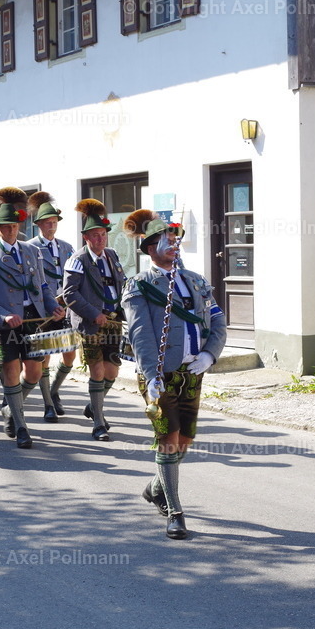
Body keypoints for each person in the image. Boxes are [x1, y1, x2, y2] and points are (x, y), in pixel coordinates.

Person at [122, 209, 227, 540]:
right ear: (151, 248)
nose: (173, 245)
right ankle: (175, 512)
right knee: (168, 438)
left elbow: (218, 320)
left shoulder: (195, 279)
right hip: (161, 376)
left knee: (185, 439)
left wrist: (210, 354)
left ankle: (156, 488)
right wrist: (151, 375)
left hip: (194, 371)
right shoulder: (139, 285)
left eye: (175, 239)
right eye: (166, 240)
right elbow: (141, 334)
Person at [0, 187, 65, 449]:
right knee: (11, 371)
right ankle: (22, 427)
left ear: (19, 225)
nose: (11, 230)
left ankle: (10, 407)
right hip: (5, 323)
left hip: (33, 319)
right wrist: (3, 315)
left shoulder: (31, 251)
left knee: (34, 373)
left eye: (14, 225)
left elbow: (43, 287)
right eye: (5, 227)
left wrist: (53, 307)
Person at [60, 199, 126, 441]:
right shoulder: (76, 259)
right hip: (89, 323)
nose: (100, 240)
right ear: (86, 237)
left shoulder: (112, 255)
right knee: (97, 371)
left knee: (113, 371)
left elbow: (122, 284)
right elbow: (69, 294)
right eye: (95, 236)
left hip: (113, 321)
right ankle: (98, 422)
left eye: (103, 235)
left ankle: (92, 406)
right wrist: (92, 313)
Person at [26, 192, 76, 422]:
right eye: (48, 222)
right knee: (44, 356)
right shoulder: (29, 247)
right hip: (44, 310)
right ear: (38, 225)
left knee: (69, 356)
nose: (52, 226)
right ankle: (47, 403)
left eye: (55, 222)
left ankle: (54, 390)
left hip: (65, 308)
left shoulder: (66, 247)